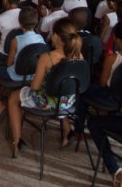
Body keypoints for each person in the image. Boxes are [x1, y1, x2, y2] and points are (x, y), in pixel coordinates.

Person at [8, 18, 83, 157]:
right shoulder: (79, 56)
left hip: (46, 102)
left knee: (13, 98)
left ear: (55, 36)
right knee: (60, 91)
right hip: (69, 101)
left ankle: (17, 142)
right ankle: (68, 131)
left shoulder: (47, 57)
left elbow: (35, 87)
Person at [0, 7, 44, 123]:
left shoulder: (16, 40)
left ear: (20, 23)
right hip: (34, 76)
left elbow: (8, 63)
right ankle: (14, 101)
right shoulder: (41, 39)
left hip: (15, 75)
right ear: (36, 23)